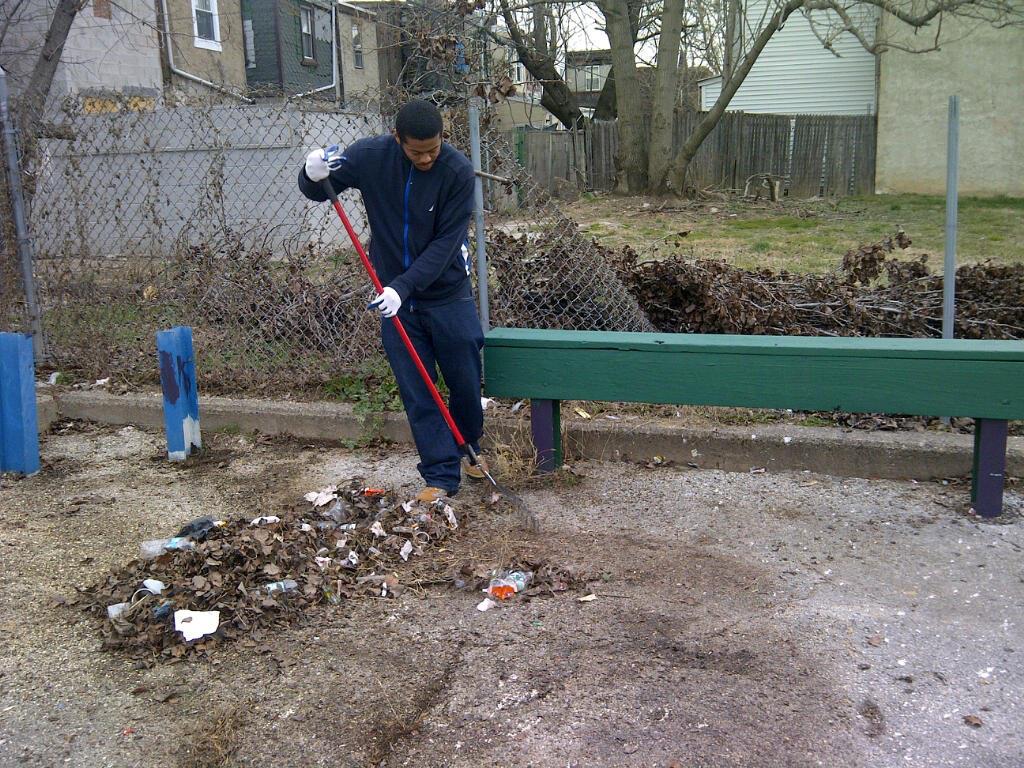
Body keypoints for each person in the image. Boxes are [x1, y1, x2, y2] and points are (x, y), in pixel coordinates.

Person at [298, 99, 488, 503]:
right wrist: (311, 174)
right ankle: (439, 475)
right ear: (397, 138)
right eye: (416, 151)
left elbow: (444, 245)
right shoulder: (371, 157)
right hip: (393, 300)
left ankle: (469, 446)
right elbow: (320, 188)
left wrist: (403, 286)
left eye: (433, 149)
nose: (426, 158)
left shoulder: (456, 172)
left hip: (446, 295)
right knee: (417, 389)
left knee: (465, 381)